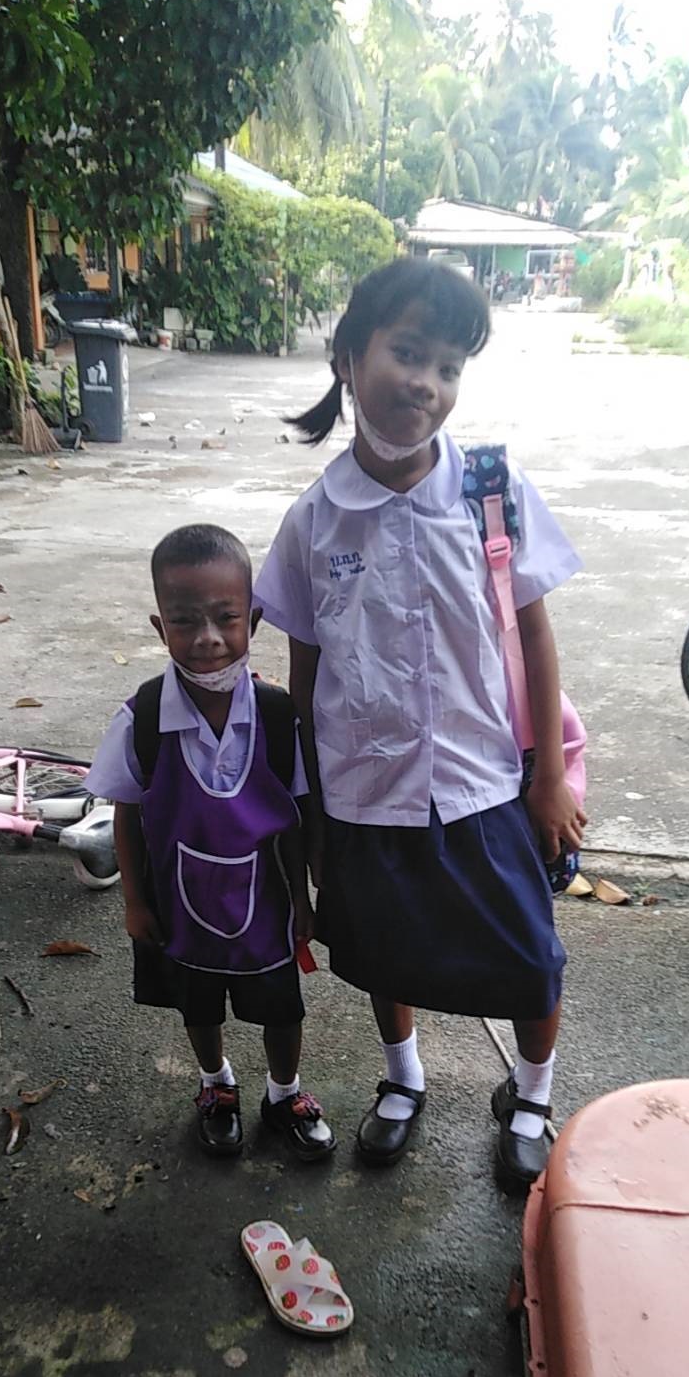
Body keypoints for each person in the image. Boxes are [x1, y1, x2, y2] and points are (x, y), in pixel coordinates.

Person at [254, 258, 586, 1188]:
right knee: (385, 953)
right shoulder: (315, 521)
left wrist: (547, 778)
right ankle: (403, 1079)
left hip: (485, 784)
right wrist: (313, 809)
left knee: (530, 958)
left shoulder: (489, 489)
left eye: (448, 366)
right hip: (366, 791)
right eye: (407, 353)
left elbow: (533, 631)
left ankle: (531, 1094)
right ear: (348, 359)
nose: (426, 385)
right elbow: (306, 672)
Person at [87, 524, 334, 1163]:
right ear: (159, 626)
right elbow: (126, 814)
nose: (207, 638)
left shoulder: (277, 717)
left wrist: (303, 897)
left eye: (226, 618)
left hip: (266, 905)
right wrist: (134, 901)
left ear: (253, 619)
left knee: (282, 1009)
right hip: (178, 904)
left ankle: (284, 1093)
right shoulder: (142, 719)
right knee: (198, 1005)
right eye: (184, 620)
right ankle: (215, 1083)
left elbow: (295, 817)